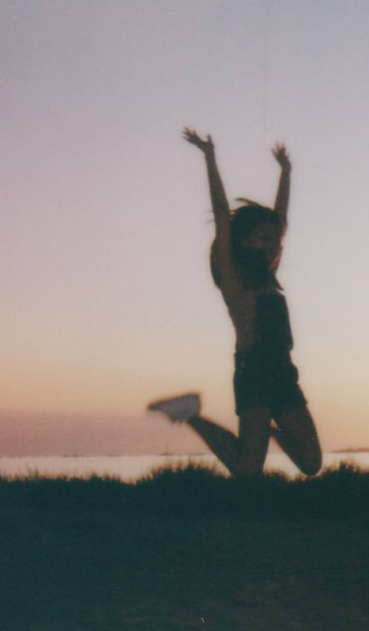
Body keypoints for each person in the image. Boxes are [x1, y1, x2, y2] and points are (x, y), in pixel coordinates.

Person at [147, 129, 322, 478]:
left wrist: (286, 173)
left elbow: (281, 220)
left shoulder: (269, 277)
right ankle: (190, 414)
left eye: (273, 239)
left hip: (283, 371)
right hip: (253, 371)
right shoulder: (233, 279)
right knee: (246, 471)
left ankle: (265, 430)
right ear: (243, 241)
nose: (271, 244)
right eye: (262, 238)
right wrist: (209, 156)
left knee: (311, 464)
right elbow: (221, 213)